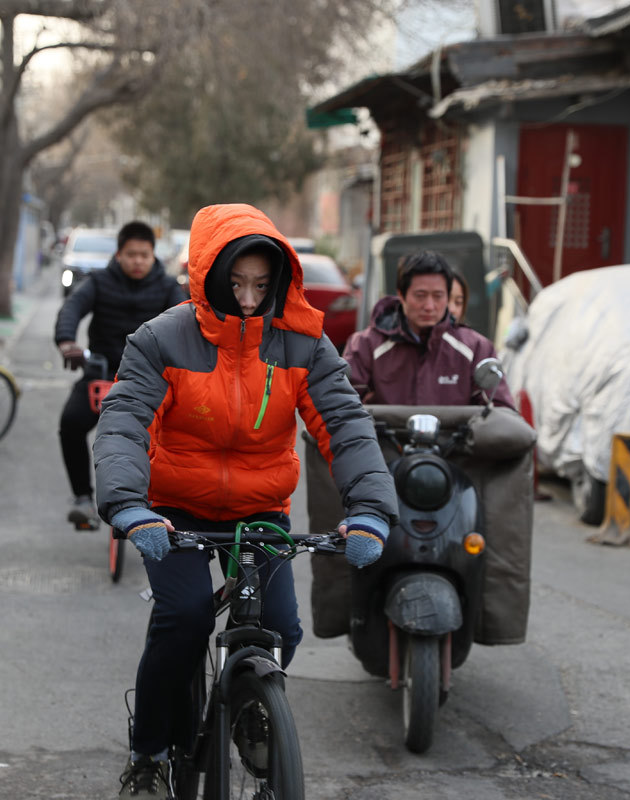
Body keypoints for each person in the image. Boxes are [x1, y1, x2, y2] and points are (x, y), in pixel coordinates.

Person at [93, 203, 398, 799]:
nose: (251, 298)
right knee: (183, 618)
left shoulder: (304, 344)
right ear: (208, 276)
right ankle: (149, 749)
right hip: (172, 507)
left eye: (263, 284)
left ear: (281, 281)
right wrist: (129, 505)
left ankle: (253, 706)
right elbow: (124, 420)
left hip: (260, 509)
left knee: (281, 627)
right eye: (236, 283)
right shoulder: (161, 339)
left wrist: (368, 511)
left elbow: (346, 425)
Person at [54, 221, 187, 528]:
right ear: (119, 254)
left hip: (149, 378)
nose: (138, 260)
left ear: (154, 255)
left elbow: (185, 323)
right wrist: (67, 341)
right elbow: (72, 308)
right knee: (70, 424)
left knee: (174, 435)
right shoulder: (99, 282)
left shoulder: (167, 287)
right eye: (131, 254)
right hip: (101, 372)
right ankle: (83, 499)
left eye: (144, 254)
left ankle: (159, 504)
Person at [343, 250, 515, 408]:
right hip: (380, 442)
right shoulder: (366, 345)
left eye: (438, 296)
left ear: (447, 296)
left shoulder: (477, 348)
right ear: (401, 295)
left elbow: (499, 410)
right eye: (420, 296)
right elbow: (342, 404)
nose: (429, 306)